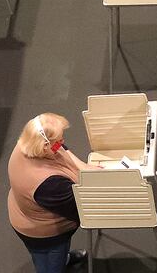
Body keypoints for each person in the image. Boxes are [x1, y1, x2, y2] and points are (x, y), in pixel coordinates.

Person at [8, 113, 100, 272]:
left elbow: (61, 149)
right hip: (44, 235)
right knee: (51, 264)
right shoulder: (47, 184)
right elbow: (79, 209)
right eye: (58, 140)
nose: (62, 143)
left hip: (26, 212)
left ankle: (65, 258)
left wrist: (83, 168)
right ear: (44, 145)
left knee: (59, 254)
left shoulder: (28, 143)